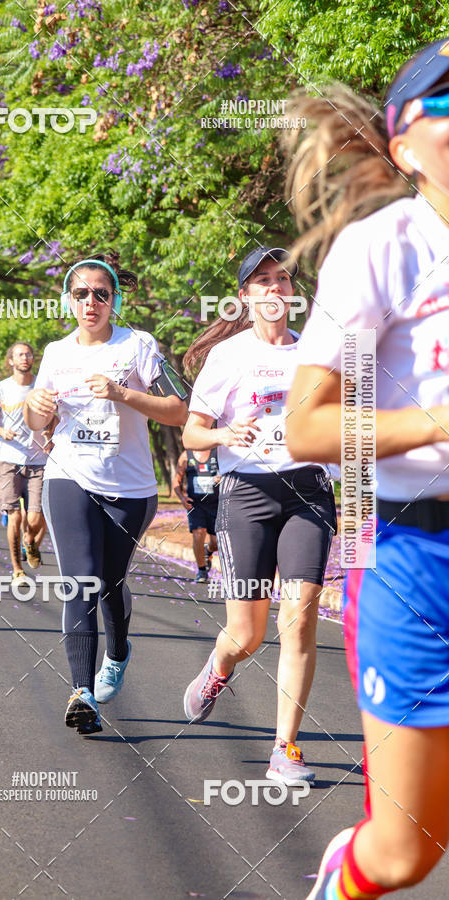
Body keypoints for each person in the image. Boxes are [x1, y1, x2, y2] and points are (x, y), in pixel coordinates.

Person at [278, 38, 449, 900]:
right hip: (415, 558)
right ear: (403, 144)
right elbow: (308, 427)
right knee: (404, 855)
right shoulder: (385, 249)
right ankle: (341, 876)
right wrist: (436, 424)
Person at [181, 247, 337, 785]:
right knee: (246, 634)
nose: (274, 288)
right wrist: (224, 433)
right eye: (262, 280)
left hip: (307, 494)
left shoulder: (317, 353)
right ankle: (220, 665)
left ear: (292, 292)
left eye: (282, 279)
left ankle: (284, 748)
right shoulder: (229, 355)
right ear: (244, 295)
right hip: (246, 494)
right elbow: (192, 432)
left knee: (298, 620)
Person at [24, 252, 188, 735]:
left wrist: (122, 394)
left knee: (111, 583)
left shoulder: (138, 345)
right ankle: (82, 692)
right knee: (81, 583)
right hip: (68, 476)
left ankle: (116, 654)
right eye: (81, 294)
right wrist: (35, 405)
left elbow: (180, 409)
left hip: (129, 487)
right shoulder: (56, 353)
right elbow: (37, 422)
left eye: (101, 293)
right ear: (68, 301)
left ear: (115, 300)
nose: (91, 302)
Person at [0, 342, 48, 586]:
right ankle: (17, 569)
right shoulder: (0, 388)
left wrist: (51, 433)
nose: (25, 358)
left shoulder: (42, 386)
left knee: (35, 518)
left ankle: (30, 542)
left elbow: (55, 415)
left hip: (39, 460)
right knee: (15, 516)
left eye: (29, 354)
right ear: (11, 360)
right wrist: (1, 431)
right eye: (20, 354)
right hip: (9, 460)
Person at [173, 447, 220, 582]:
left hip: (215, 504)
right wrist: (182, 498)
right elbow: (177, 480)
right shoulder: (186, 456)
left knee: (216, 542)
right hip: (195, 504)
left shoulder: (218, 452)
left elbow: (229, 472)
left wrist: (221, 478)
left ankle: (208, 550)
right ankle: (202, 571)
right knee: (199, 533)